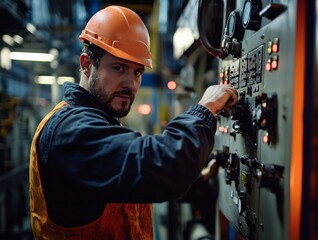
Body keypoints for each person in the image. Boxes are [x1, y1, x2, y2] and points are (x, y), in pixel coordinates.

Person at [29, 5, 238, 240]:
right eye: (119, 68)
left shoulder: (102, 122)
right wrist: (205, 110)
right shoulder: (70, 130)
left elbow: (130, 185)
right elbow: (162, 164)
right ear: (87, 64)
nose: (131, 84)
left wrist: (197, 179)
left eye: (137, 72)